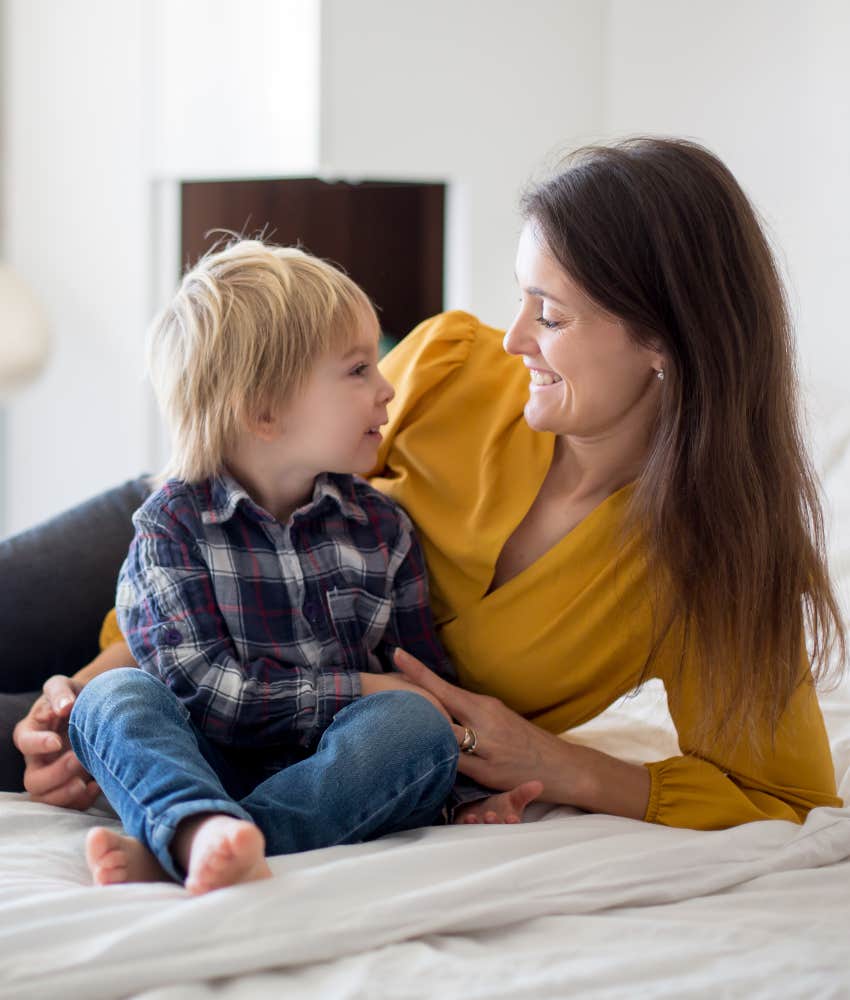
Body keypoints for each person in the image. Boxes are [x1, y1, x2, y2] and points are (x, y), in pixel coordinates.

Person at [11, 136, 844, 834]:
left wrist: (555, 764)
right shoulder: (452, 365)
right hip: (184, 539)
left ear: (665, 340)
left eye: (551, 315)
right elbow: (240, 490)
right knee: (70, 714)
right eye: (521, 299)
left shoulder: (715, 562)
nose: (513, 338)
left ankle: (211, 835)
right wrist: (81, 697)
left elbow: (784, 796)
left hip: (304, 720)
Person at [51, 239, 537, 895]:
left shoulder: (382, 527)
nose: (387, 388)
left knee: (416, 726)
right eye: (358, 369)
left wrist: (463, 796)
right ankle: (198, 822)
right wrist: (360, 689)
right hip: (203, 757)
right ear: (265, 411)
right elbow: (207, 691)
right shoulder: (172, 526)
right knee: (110, 699)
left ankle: (191, 844)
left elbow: (422, 679)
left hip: (334, 772)